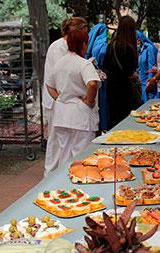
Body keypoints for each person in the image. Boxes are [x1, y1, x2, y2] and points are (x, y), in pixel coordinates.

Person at [44, 26, 101, 175]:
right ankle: (79, 185)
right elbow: (93, 83)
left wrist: (60, 98)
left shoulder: (60, 62)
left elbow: (49, 85)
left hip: (62, 114)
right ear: (84, 44)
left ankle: (64, 183)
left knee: (64, 154)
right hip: (80, 115)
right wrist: (89, 100)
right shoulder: (84, 64)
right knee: (81, 155)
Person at [104, 16, 141, 129]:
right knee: (127, 120)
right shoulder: (129, 48)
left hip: (112, 87)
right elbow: (130, 70)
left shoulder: (111, 45)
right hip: (126, 89)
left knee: (115, 119)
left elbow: (106, 66)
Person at [86, 23, 109, 131]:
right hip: (101, 78)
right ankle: (103, 125)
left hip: (91, 76)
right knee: (102, 103)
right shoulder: (103, 45)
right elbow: (103, 59)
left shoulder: (90, 45)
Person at [137, 31, 158, 102]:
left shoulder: (150, 48)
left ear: (139, 40)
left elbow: (151, 66)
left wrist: (150, 81)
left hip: (148, 84)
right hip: (141, 83)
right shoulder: (140, 50)